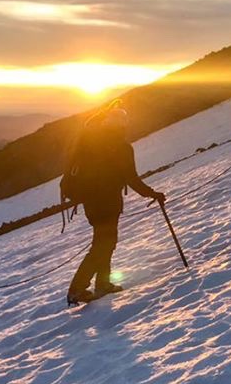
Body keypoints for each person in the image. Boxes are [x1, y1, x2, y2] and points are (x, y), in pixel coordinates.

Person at [66, 102, 165, 305]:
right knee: (102, 245)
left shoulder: (93, 143)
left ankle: (103, 283)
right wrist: (152, 194)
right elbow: (131, 178)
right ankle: (78, 288)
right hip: (108, 203)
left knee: (105, 244)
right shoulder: (121, 147)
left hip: (92, 204)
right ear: (122, 125)